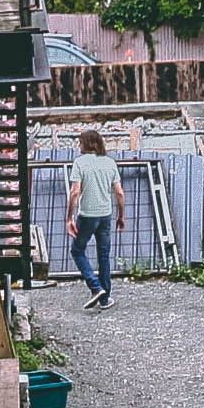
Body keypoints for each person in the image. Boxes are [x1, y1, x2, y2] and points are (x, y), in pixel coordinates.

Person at [66, 131, 125, 310]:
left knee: (77, 251)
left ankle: (95, 286)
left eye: (80, 142)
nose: (79, 146)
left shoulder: (80, 163)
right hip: (106, 215)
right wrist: (121, 215)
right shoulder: (110, 163)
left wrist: (69, 217)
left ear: (85, 144)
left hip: (87, 216)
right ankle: (105, 298)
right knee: (104, 255)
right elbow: (120, 193)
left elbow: (75, 192)